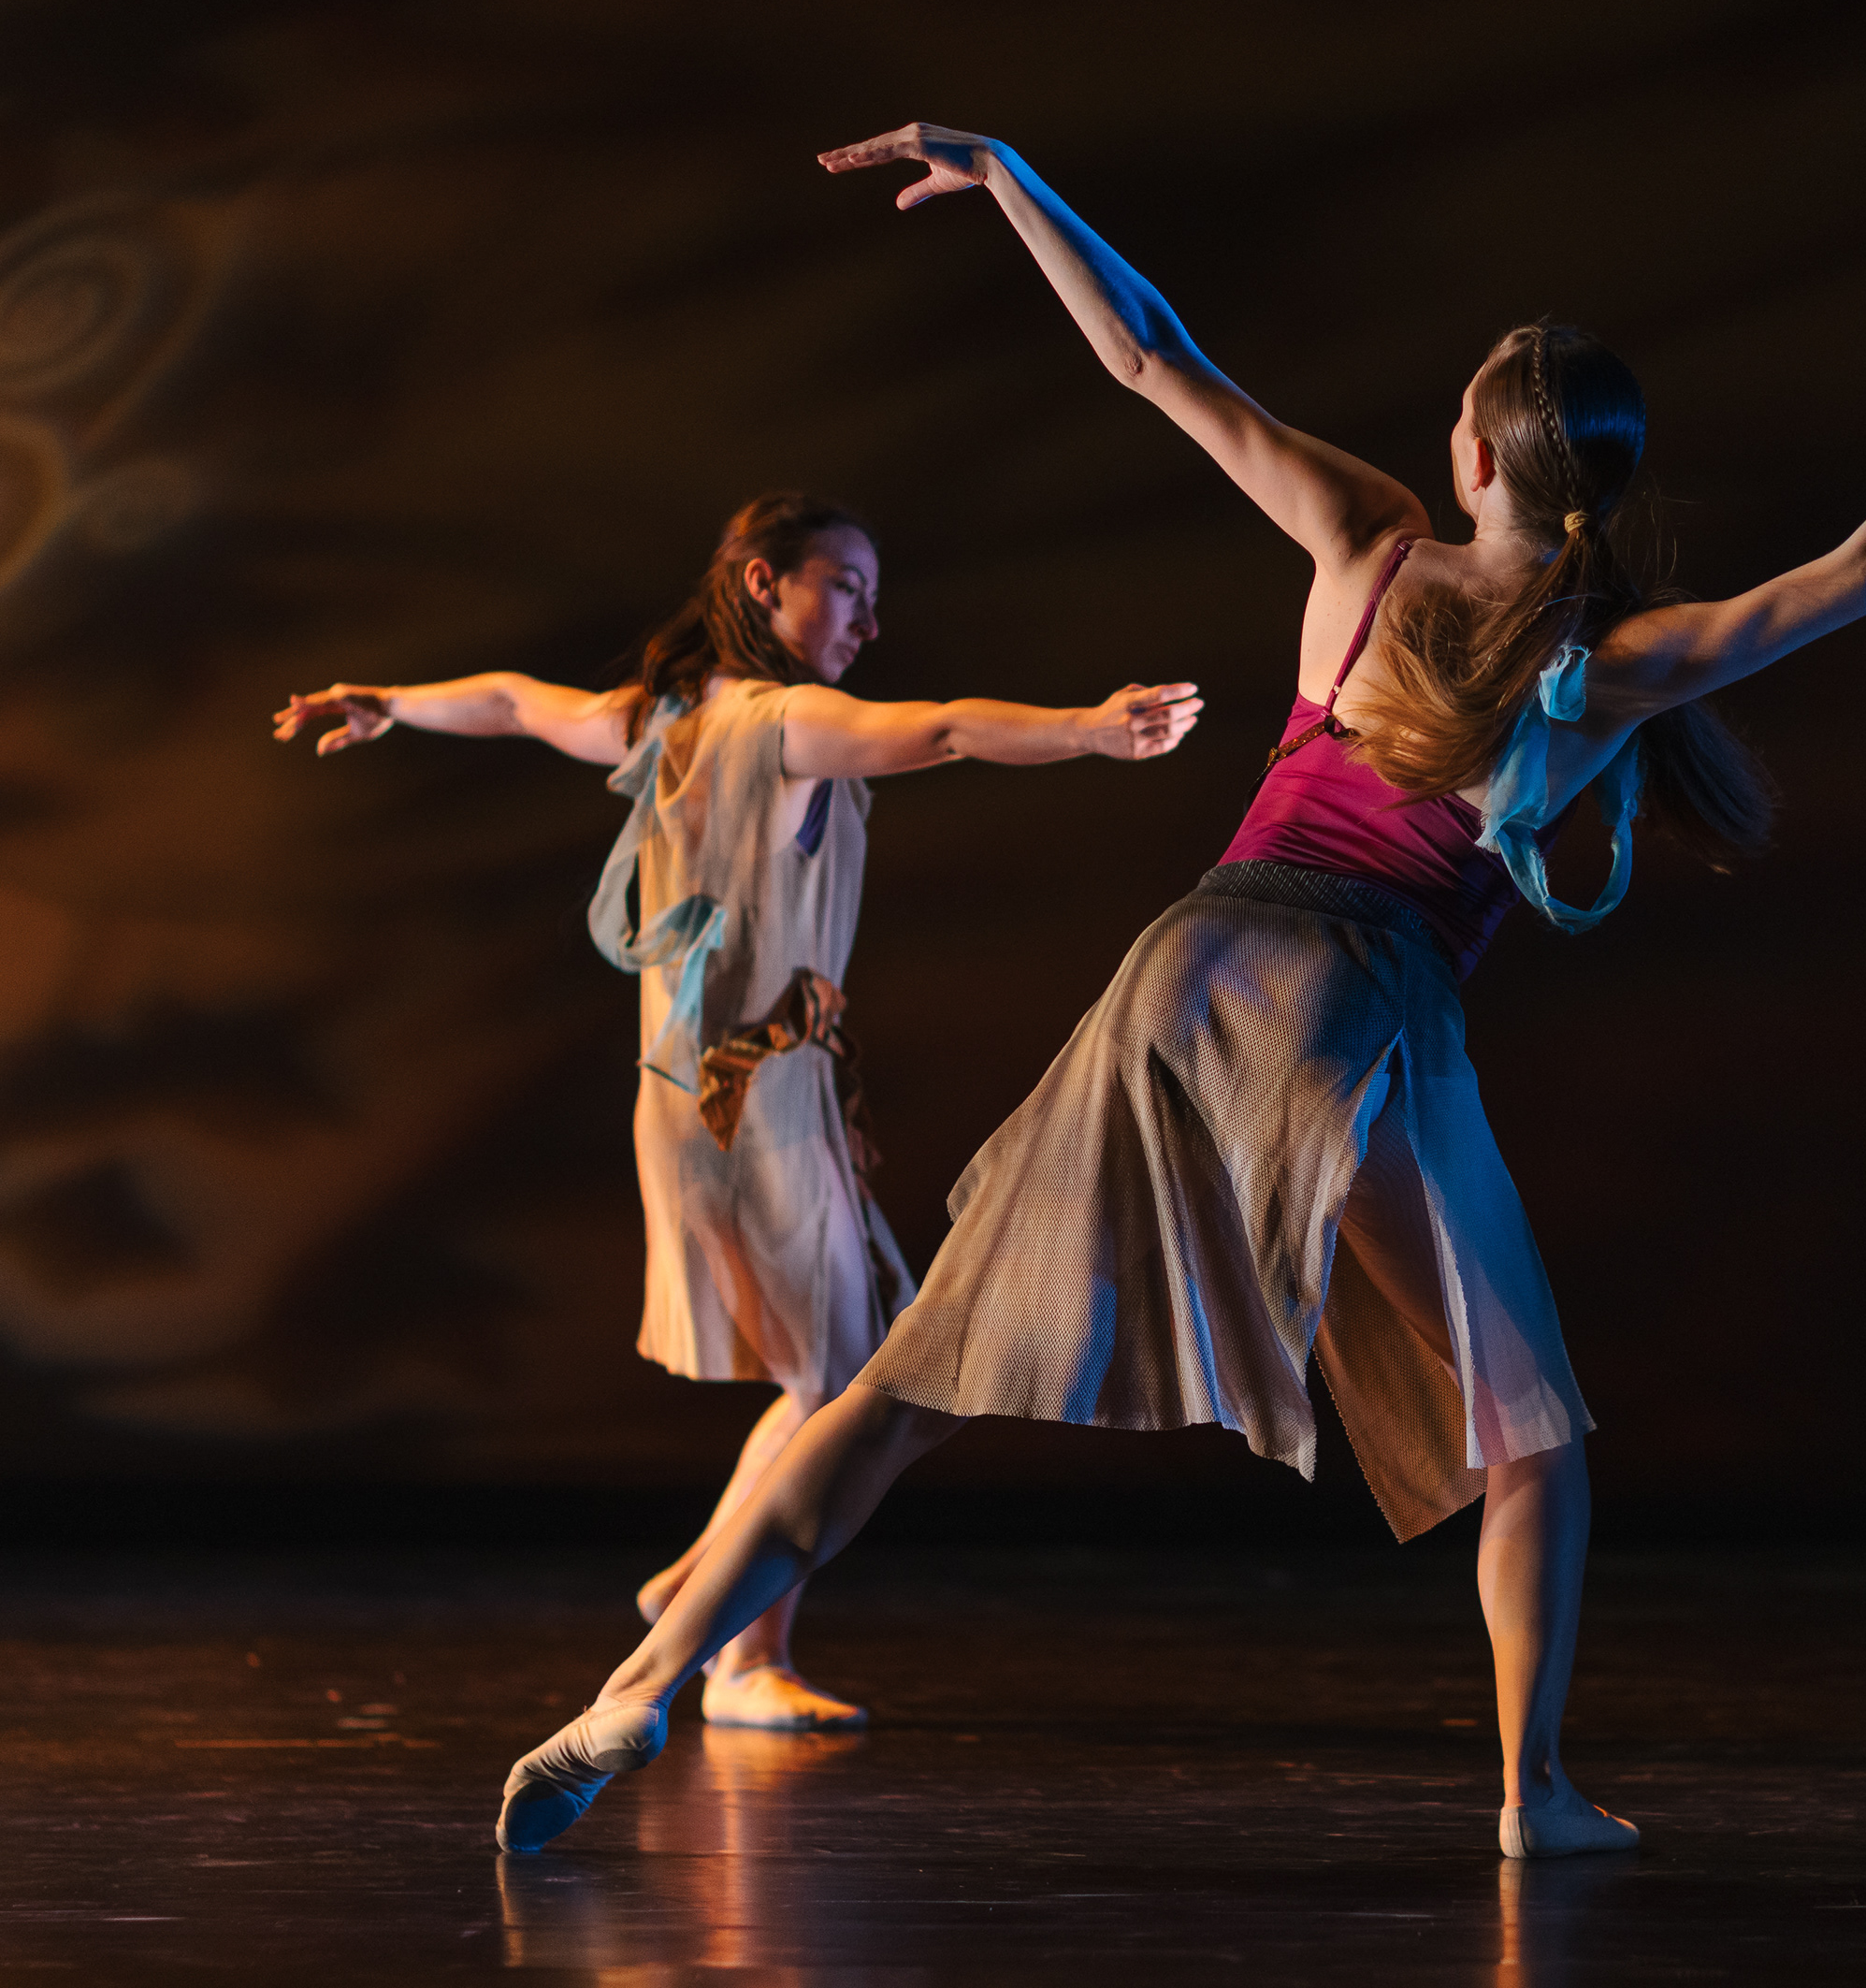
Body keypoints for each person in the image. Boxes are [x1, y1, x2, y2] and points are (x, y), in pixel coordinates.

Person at [489, 126, 1866, 1856]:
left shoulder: (1371, 540)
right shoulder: (1611, 659)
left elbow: (1150, 354)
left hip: (1185, 960)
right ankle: (1533, 1795)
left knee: (905, 1386)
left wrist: (1017, 179)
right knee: (1531, 1430)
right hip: (1352, 997)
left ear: (1472, 453)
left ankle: (640, 1682)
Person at [275, 492, 1201, 1728]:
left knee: (836, 1376)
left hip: (701, 1098)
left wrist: (391, 702)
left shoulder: (658, 719)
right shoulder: (781, 720)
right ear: (765, 583)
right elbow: (944, 730)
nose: (868, 622)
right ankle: (739, 1647)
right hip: (754, 1102)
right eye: (847, 587)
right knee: (841, 1389)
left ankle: (708, 1591)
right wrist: (1088, 729)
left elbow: (510, 702)